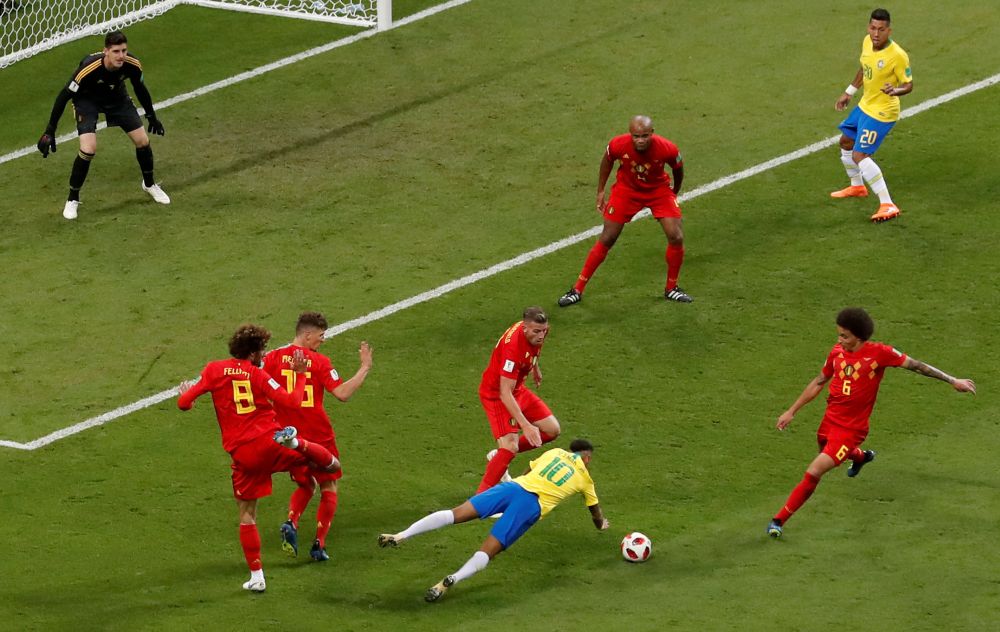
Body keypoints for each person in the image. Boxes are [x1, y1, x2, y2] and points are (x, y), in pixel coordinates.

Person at [766, 308, 976, 538]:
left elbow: (916, 365)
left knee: (814, 470)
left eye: (844, 336)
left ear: (859, 336)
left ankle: (778, 521)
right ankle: (862, 457)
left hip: (851, 429)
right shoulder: (836, 353)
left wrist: (952, 380)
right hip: (829, 422)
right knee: (825, 450)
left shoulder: (879, 354)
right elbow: (819, 381)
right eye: (838, 335)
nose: (839, 340)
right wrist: (791, 411)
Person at [177, 324, 342, 592]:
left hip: (244, 456)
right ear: (253, 353)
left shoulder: (213, 370)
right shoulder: (259, 375)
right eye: (262, 350)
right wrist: (300, 376)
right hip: (271, 442)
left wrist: (188, 397)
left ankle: (257, 577)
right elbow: (291, 402)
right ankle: (306, 448)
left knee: (247, 514)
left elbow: (183, 403)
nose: (264, 354)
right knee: (321, 464)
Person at [378, 439, 609, 602]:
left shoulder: (555, 452)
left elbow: (527, 475)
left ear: (572, 450)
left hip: (513, 488)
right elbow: (595, 514)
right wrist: (602, 524)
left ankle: (402, 534)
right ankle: (451, 579)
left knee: (455, 513)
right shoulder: (585, 480)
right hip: (529, 507)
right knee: (488, 550)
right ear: (587, 458)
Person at [261, 311, 373, 562]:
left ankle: (292, 521)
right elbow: (342, 393)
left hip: (288, 436)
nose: (323, 341)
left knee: (305, 483)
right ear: (307, 334)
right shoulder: (319, 361)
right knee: (328, 484)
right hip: (319, 436)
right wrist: (364, 367)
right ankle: (318, 545)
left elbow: (260, 391)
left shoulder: (272, 359)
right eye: (321, 336)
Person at [558, 114, 691, 306]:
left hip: (658, 191)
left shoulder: (667, 148)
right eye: (636, 136)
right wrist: (601, 190)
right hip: (626, 191)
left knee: (676, 236)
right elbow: (607, 161)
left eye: (644, 136)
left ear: (652, 133)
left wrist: (674, 192)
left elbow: (678, 168)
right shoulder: (618, 144)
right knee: (608, 237)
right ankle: (577, 289)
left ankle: (671, 288)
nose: (640, 140)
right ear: (631, 135)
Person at [37, 30, 169, 220]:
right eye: (116, 51)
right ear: (105, 51)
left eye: (124, 50)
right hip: (87, 101)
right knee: (88, 149)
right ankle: (72, 199)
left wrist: (151, 116)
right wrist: (50, 130)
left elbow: (140, 89)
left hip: (117, 99)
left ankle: (149, 185)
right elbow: (64, 96)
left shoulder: (132, 65)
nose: (121, 56)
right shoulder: (88, 69)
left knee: (142, 141)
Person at [830, 9, 912, 223]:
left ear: (889, 30)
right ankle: (857, 187)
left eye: (881, 29)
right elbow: (864, 68)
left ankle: (888, 204)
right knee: (846, 141)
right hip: (866, 105)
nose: (876, 33)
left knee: (860, 155)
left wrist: (896, 91)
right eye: (873, 28)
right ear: (869, 28)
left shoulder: (897, 55)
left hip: (883, 111)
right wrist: (849, 92)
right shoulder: (867, 42)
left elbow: (908, 84)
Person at [476, 307, 561, 493]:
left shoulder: (534, 330)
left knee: (552, 430)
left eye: (544, 331)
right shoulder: (513, 350)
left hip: (517, 390)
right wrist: (526, 425)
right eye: (537, 331)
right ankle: (480, 498)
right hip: (496, 395)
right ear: (524, 328)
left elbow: (535, 348)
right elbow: (504, 392)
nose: (541, 336)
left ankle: (498, 457)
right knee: (511, 446)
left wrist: (535, 367)